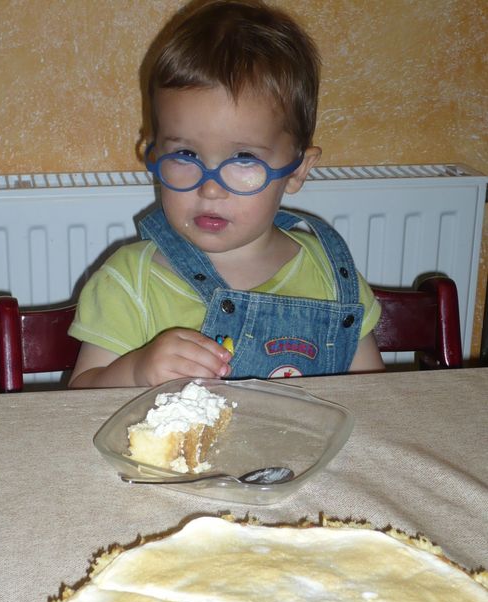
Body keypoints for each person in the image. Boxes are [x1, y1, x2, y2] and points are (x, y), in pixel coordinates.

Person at [68, 0, 384, 388]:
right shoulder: (129, 282)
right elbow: (79, 399)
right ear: (155, 153)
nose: (210, 188)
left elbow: (373, 396)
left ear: (297, 170)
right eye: (186, 155)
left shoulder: (334, 277)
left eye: (244, 158)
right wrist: (135, 371)